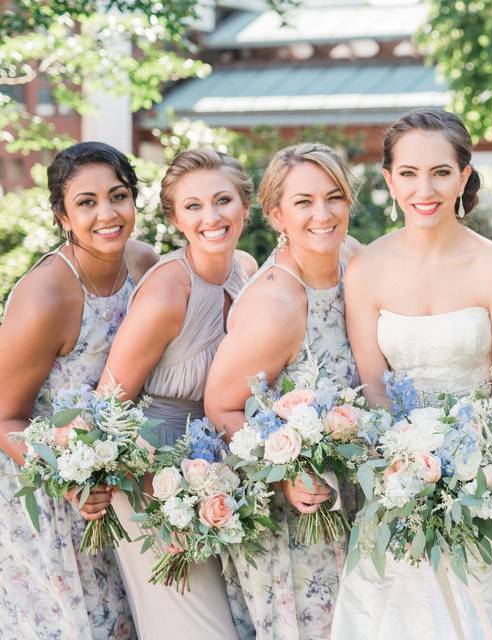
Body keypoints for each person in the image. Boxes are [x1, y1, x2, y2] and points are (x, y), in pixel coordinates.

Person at [331, 108, 492, 640]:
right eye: (410, 173)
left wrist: (469, 469)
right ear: (389, 180)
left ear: (464, 177)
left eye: (441, 172)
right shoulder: (366, 269)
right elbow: (374, 388)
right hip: (398, 482)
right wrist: (409, 471)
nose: (426, 188)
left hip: (489, 477)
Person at [99, 149, 258, 639]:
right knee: (196, 627)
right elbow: (109, 408)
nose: (211, 218)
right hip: (151, 480)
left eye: (222, 200)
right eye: (192, 207)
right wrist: (161, 498)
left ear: (245, 207)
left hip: (216, 474)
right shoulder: (170, 289)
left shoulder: (246, 269)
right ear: (174, 218)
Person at [0, 141, 156, 638]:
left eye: (118, 195)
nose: (107, 214)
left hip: (125, 490)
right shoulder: (46, 296)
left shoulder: (145, 264)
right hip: (51, 494)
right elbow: (5, 417)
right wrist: (67, 480)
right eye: (86, 202)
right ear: (62, 216)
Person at [205, 142, 357, 638]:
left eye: (334, 197)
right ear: (276, 214)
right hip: (298, 524)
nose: (323, 214)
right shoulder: (276, 304)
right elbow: (222, 406)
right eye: (304, 202)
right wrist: (284, 474)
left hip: (358, 500)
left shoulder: (353, 261)